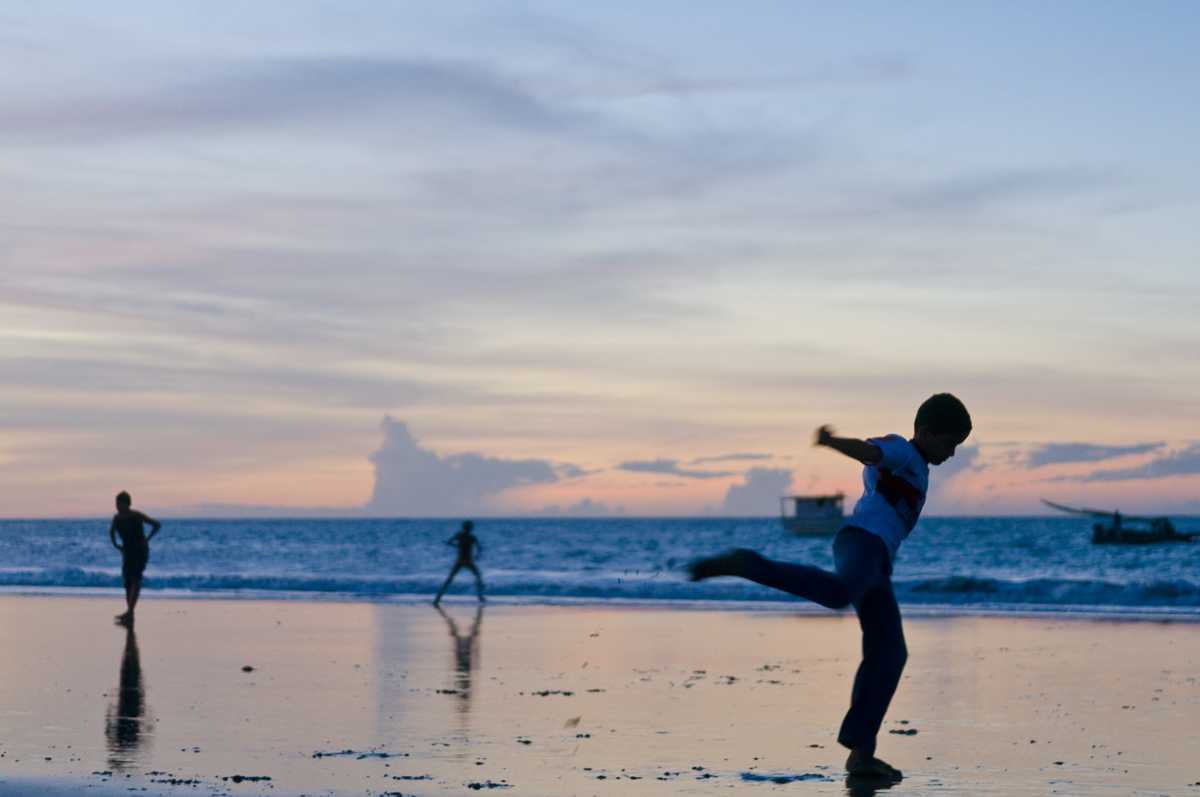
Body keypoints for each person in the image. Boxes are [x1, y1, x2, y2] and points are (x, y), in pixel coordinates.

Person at [688, 393, 972, 781]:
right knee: (841, 594)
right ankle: (747, 563)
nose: (952, 453)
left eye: (957, 446)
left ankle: (861, 754)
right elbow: (870, 453)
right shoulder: (903, 451)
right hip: (862, 544)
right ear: (924, 432)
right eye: (949, 443)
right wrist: (832, 442)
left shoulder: (918, 466)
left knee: (890, 653)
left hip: (876, 559)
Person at [109, 491, 161, 626]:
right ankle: (129, 614)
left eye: (120, 503)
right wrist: (117, 546)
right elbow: (111, 532)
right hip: (127, 552)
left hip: (140, 551)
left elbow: (156, 524)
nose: (117, 506)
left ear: (127, 503)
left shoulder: (136, 515)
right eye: (116, 503)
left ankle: (130, 612)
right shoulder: (116, 518)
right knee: (127, 583)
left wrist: (147, 539)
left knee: (136, 579)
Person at [433, 520, 485, 606]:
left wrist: (457, 546)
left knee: (449, 579)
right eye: (470, 527)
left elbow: (449, 542)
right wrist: (477, 556)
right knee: (477, 575)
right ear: (470, 528)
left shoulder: (460, 535)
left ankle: (438, 598)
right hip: (467, 561)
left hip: (460, 561)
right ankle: (480, 596)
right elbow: (479, 548)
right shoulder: (472, 537)